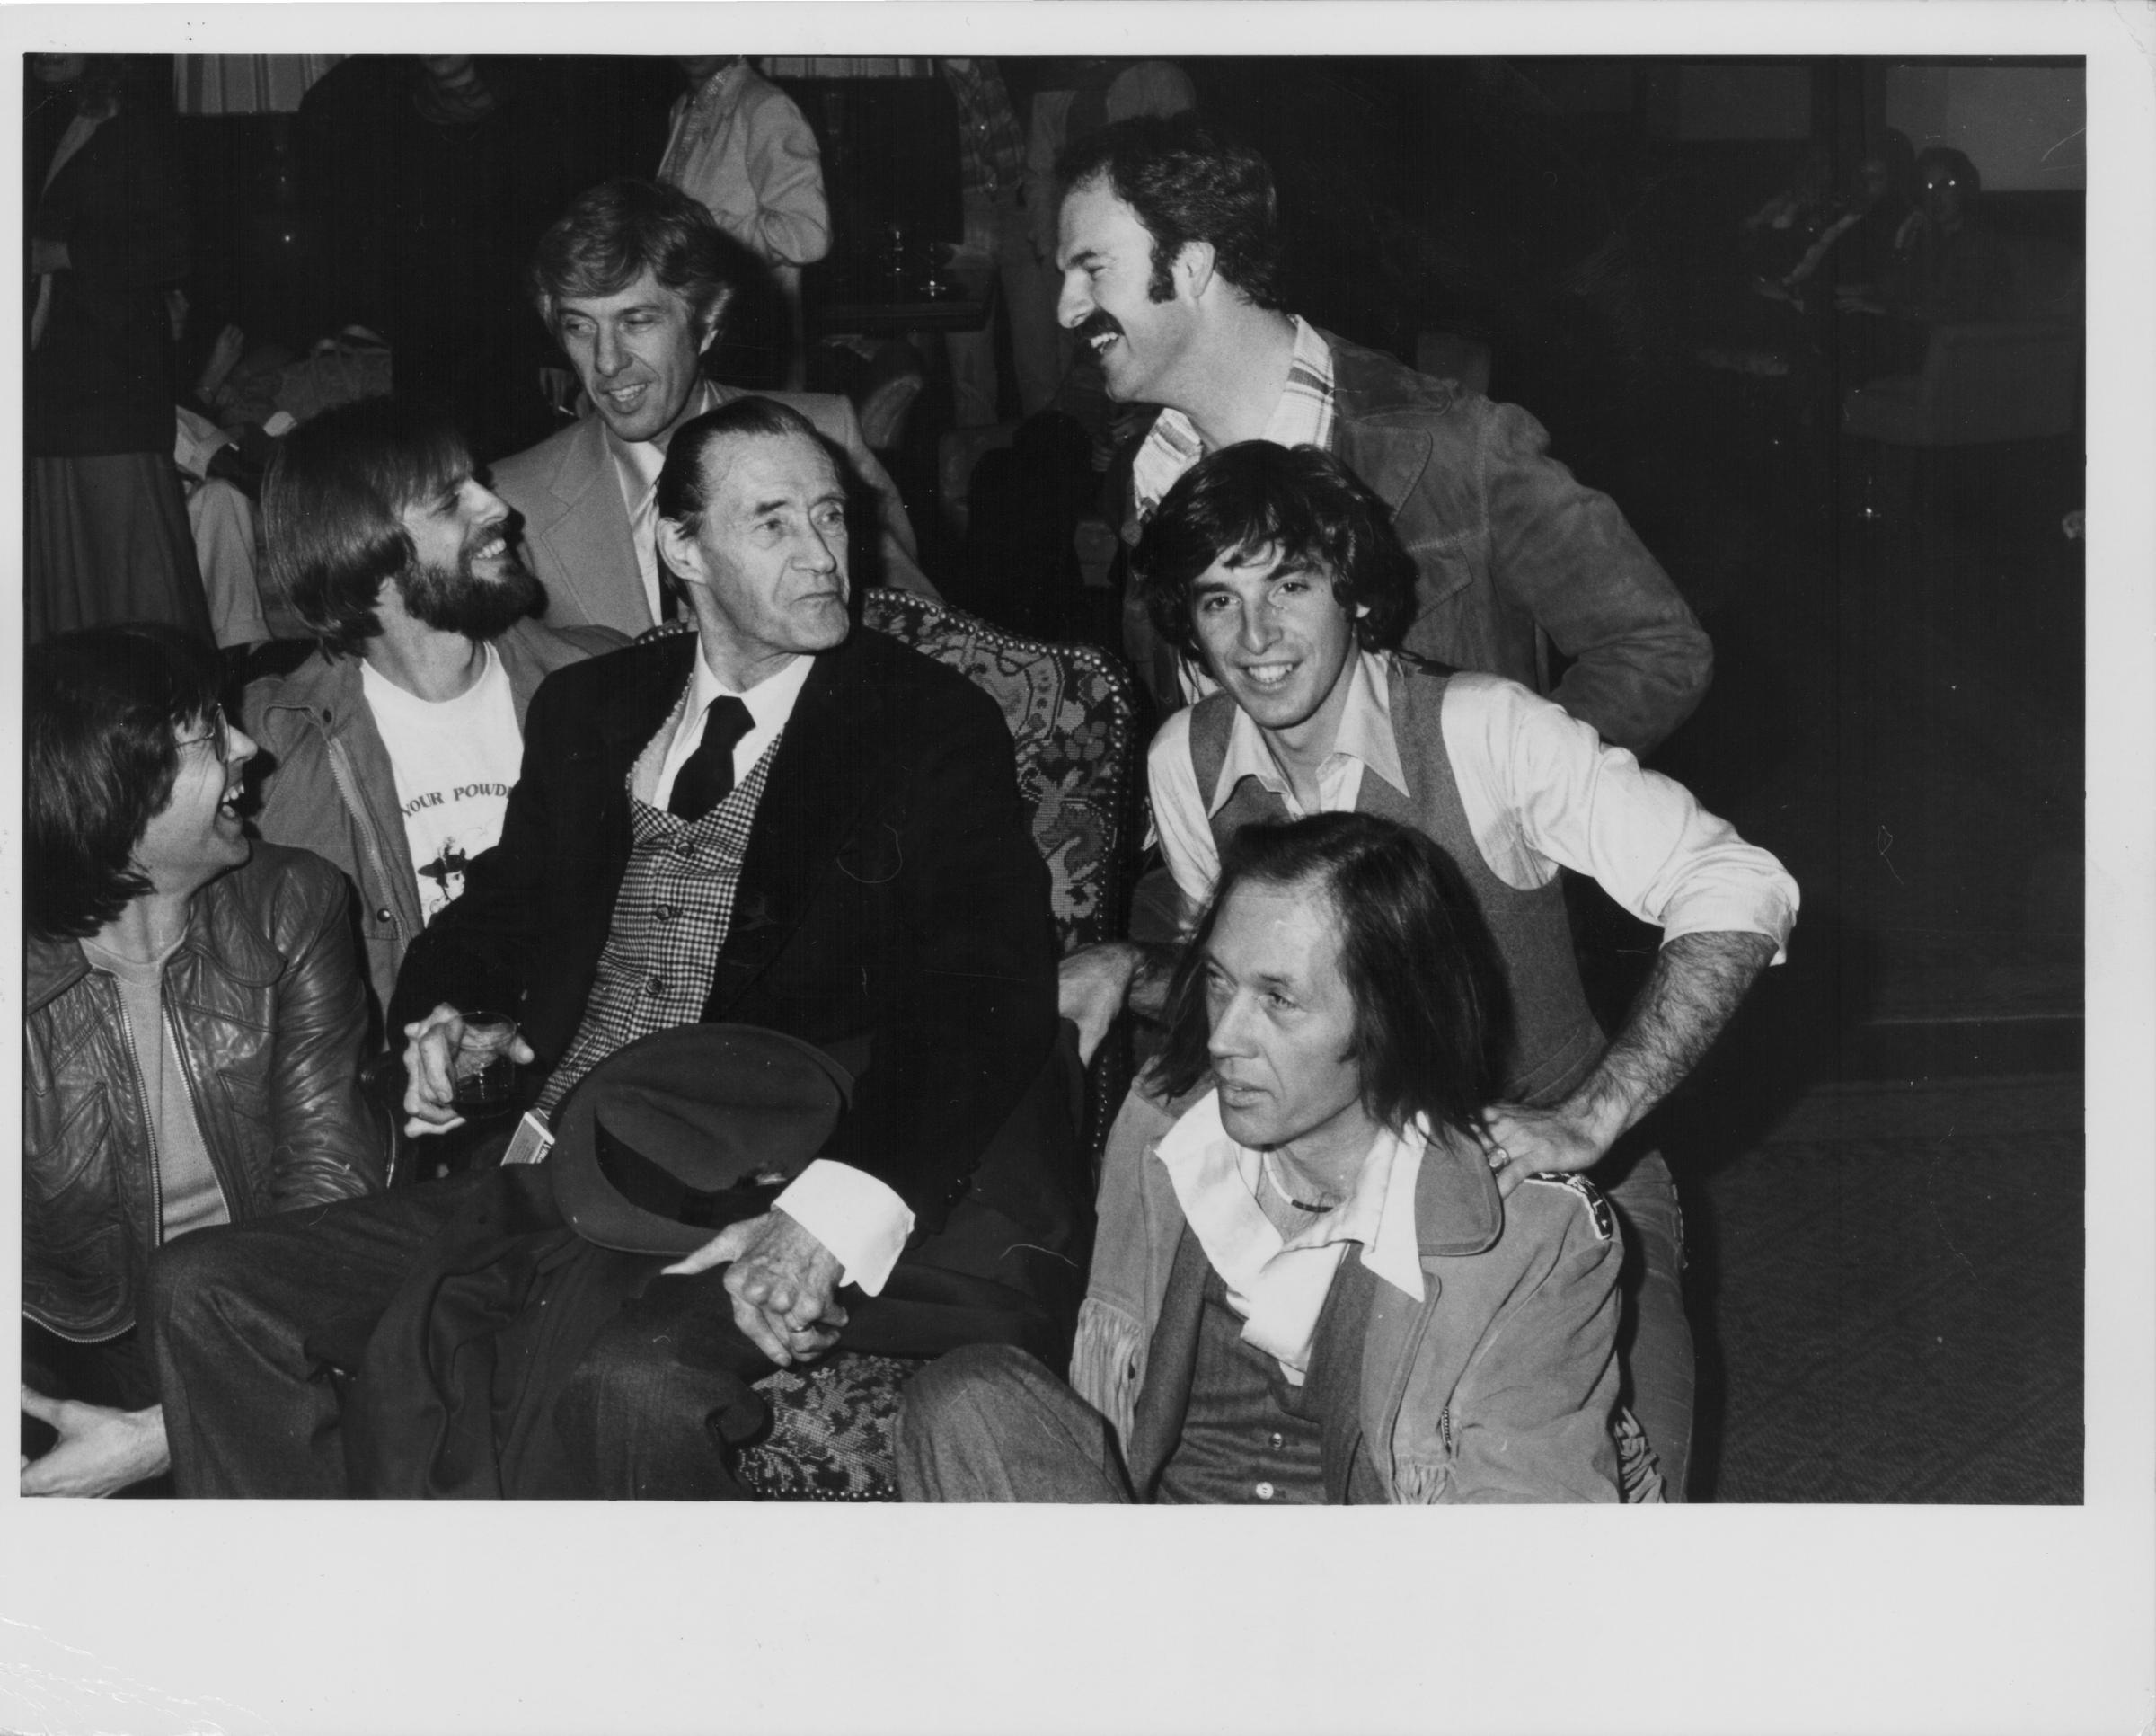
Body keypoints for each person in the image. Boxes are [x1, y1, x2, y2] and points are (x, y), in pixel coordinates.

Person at [149, 397, 1084, 1499]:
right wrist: (445, 1015)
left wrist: (823, 1218)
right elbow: (501, 909)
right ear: (682, 546)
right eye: (773, 523)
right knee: (204, 1288)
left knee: (622, 1384)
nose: (823, 554)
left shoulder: (924, 723)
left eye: (831, 516)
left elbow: (983, 992)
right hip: (556, 1166)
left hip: (757, 1176)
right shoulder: (595, 704)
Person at [1059, 443, 1800, 1497]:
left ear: (1353, 594)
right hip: (1308, 1196)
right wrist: (1127, 967)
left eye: (1291, 586)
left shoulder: (1485, 730)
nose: (1257, 638)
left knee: (1616, 1540)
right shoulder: (1187, 759)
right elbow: (1244, 984)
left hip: (1540, 1207)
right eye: (1219, 600)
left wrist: (1594, 1118)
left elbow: (1739, 885)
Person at [902, 810, 1643, 1503]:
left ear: (1392, 1019)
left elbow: (1524, 1544)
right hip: (1150, 1566)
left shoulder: (1531, 1236)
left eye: (1279, 1000)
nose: (1222, 1036)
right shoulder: (1165, 1134)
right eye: (1219, 983)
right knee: (967, 1398)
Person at [1053, 112, 1710, 759]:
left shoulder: (1458, 448)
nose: (1066, 309)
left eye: (1093, 269)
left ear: (1192, 266)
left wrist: (1497, 804)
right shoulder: (1149, 478)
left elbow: (1656, 648)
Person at [23, 625, 383, 1497]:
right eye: (209, 735)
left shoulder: (293, 903)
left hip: (270, 1327)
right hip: (71, 1363)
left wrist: (166, 1431)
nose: (251, 751)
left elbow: (326, 1196)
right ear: (115, 788)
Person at [240, 396, 625, 1033]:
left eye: (481, 482)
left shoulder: (600, 681)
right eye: (451, 501)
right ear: (361, 549)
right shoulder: (269, 748)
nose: (497, 507)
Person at [489, 178, 934, 641]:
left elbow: (926, 636)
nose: (606, 362)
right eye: (579, 327)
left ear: (706, 326)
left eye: (636, 322)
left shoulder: (823, 435)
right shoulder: (515, 499)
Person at [24, 53, 210, 645]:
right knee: (57, 582)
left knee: (132, 578)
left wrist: (68, 253)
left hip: (107, 383)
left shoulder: (132, 115)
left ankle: (166, 715)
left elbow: (176, 245)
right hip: (39, 382)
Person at [657, 55, 831, 391]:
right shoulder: (683, 108)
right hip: (701, 341)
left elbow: (808, 234)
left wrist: (700, 225)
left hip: (753, 345)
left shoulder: (766, 106)